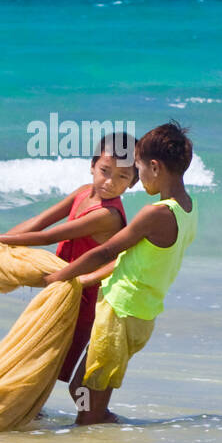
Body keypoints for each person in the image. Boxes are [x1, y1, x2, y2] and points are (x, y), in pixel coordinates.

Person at [43, 121, 197, 425]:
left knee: (86, 401)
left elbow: (105, 252)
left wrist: (56, 278)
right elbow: (132, 258)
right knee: (85, 390)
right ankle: (109, 431)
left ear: (154, 166)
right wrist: (83, 280)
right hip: (142, 314)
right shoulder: (188, 208)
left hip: (121, 312)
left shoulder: (155, 213)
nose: (137, 176)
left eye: (137, 168)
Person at [0, 132, 137, 384]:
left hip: (81, 295)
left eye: (122, 177)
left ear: (132, 183)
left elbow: (48, 236)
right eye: (105, 170)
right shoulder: (83, 192)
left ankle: (33, 414)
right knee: (32, 357)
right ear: (92, 166)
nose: (110, 182)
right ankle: (31, 415)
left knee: (46, 364)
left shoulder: (107, 215)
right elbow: (39, 221)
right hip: (59, 285)